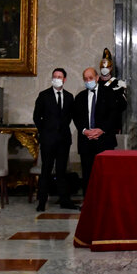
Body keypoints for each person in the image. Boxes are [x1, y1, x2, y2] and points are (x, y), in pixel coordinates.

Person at [33, 68, 78, 211]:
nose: (57, 78)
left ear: (64, 79)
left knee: (61, 171)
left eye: (59, 76)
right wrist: (44, 132)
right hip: (48, 140)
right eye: (55, 76)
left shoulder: (69, 97)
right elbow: (36, 116)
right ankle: (42, 201)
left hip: (63, 140)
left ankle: (64, 200)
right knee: (46, 170)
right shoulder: (44, 95)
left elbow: (71, 116)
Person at [72, 67, 119, 197]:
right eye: (85, 79)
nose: (88, 81)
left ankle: (106, 202)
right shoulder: (80, 97)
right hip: (86, 142)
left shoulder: (109, 93)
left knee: (105, 175)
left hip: (105, 141)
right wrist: (84, 131)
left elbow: (114, 115)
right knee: (87, 176)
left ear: (97, 78)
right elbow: (76, 117)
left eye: (90, 78)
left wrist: (102, 129)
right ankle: (88, 203)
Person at [97, 48, 128, 140]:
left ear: (111, 68)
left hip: (113, 124)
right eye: (103, 67)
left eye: (107, 67)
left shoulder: (118, 84)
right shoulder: (96, 83)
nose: (104, 69)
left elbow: (123, 106)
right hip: (97, 124)